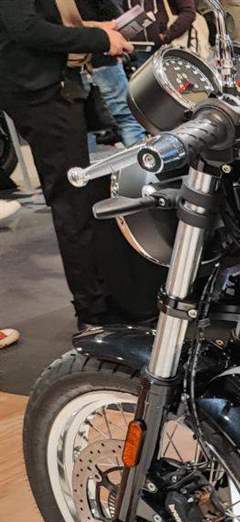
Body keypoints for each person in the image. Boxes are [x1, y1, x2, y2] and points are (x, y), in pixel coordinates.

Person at [0, 0, 134, 329]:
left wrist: (95, 29)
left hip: (54, 85)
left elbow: (39, 21)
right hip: (39, 89)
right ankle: (93, 313)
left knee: (79, 199)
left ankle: (100, 303)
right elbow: (26, 29)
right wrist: (98, 39)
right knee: (72, 203)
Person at [83, 0, 146, 147]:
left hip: (72, 61)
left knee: (83, 123)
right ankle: (139, 159)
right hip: (103, 55)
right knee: (127, 118)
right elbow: (111, 13)